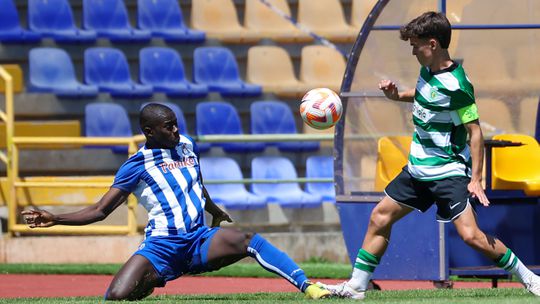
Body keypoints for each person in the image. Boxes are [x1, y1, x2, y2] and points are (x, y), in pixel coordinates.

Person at [317, 11, 540, 300]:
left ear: (432, 44)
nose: (412, 51)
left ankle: (530, 279)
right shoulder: (428, 71)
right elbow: (426, 94)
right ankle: (356, 287)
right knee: (379, 218)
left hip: (448, 172)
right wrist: (398, 95)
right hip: (417, 170)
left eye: (415, 45)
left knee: (471, 236)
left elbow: (474, 131)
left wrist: (476, 179)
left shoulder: (458, 85)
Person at [21, 103, 331, 301]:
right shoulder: (137, 164)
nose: (175, 129)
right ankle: (157, 275)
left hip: (197, 238)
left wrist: (212, 209)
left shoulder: (186, 146)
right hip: (161, 246)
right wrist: (55, 218)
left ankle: (309, 287)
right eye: (168, 126)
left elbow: (196, 181)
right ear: (149, 131)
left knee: (249, 239)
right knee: (116, 296)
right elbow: (100, 210)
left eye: (175, 123)